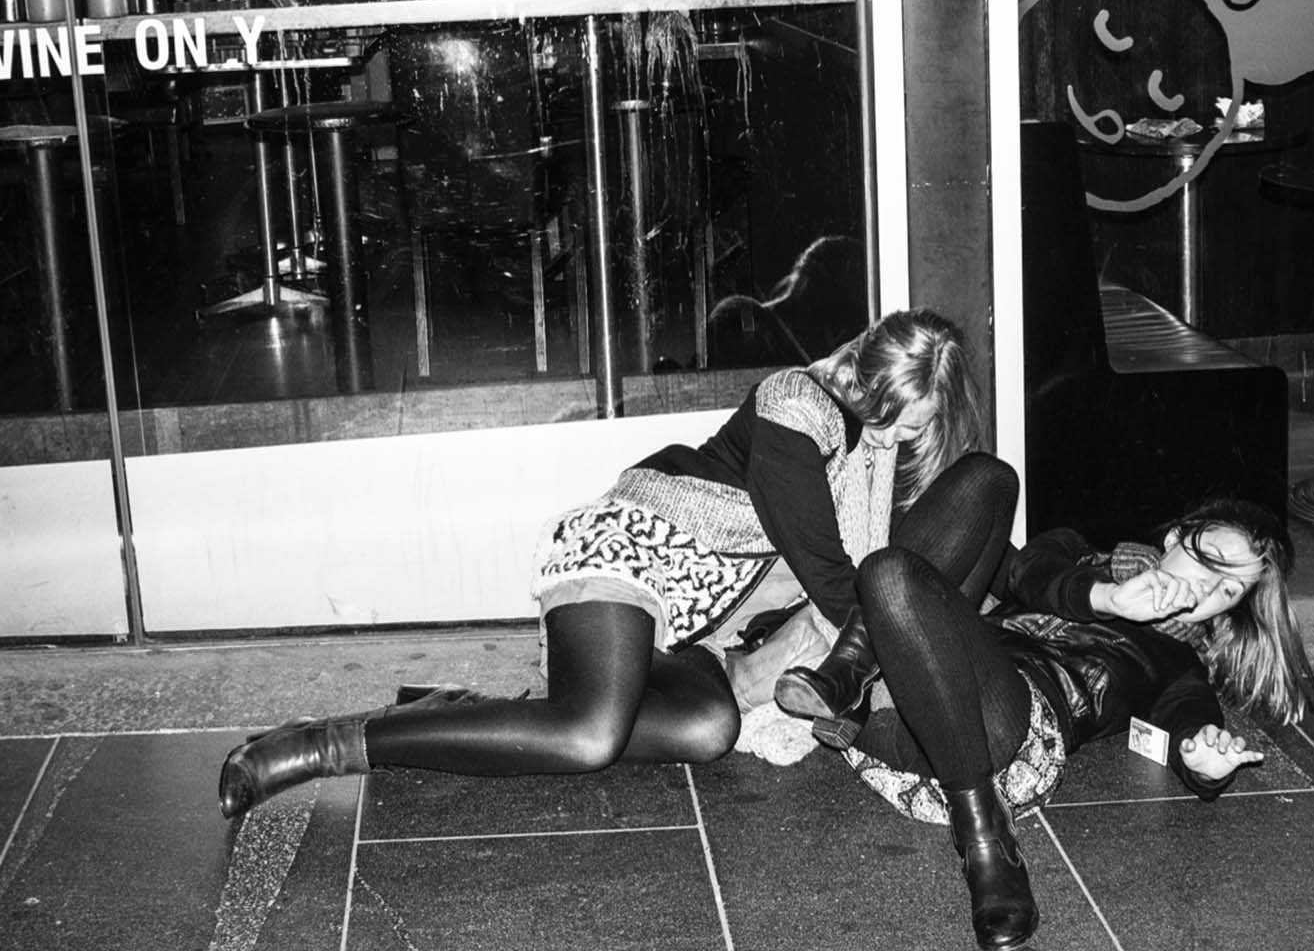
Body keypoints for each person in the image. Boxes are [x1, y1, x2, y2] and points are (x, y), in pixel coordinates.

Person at [218, 307, 1019, 818]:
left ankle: (463, 709)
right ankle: (325, 744)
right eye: (886, 413)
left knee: (709, 727)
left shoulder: (871, 457)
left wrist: (1018, 586)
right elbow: (833, 576)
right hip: (631, 553)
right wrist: (906, 636)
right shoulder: (795, 408)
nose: (891, 436)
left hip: (694, 625)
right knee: (588, 734)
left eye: (911, 427)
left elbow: (928, 551)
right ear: (862, 372)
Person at [824, 498, 1314, 951]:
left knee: (891, 573)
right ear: (1174, 539)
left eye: (1228, 589)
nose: (1207, 586)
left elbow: (1191, 720)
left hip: (1005, 742)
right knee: (988, 482)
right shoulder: (1073, 553)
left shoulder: (1179, 663)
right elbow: (1027, 573)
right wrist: (1109, 598)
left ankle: (985, 840)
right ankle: (855, 672)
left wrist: (1205, 762)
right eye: (1209, 559)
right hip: (918, 709)